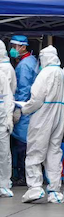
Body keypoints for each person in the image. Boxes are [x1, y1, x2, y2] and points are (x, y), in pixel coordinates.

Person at [18, 46, 64, 204]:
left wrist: (24, 109)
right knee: (54, 152)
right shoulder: (63, 73)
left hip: (43, 116)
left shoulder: (45, 73)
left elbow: (36, 99)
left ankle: (35, 188)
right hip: (59, 116)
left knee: (35, 151)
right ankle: (55, 190)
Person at [10, 35, 38, 186]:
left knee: (22, 143)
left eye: (15, 46)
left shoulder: (24, 65)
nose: (12, 49)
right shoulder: (30, 60)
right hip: (31, 107)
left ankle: (23, 176)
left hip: (24, 107)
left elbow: (23, 89)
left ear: (23, 46)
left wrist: (18, 108)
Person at [0, 66, 14, 197]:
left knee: (3, 153)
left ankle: (3, 184)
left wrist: (9, 117)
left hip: (1, 120)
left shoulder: (1, 75)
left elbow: (8, 98)